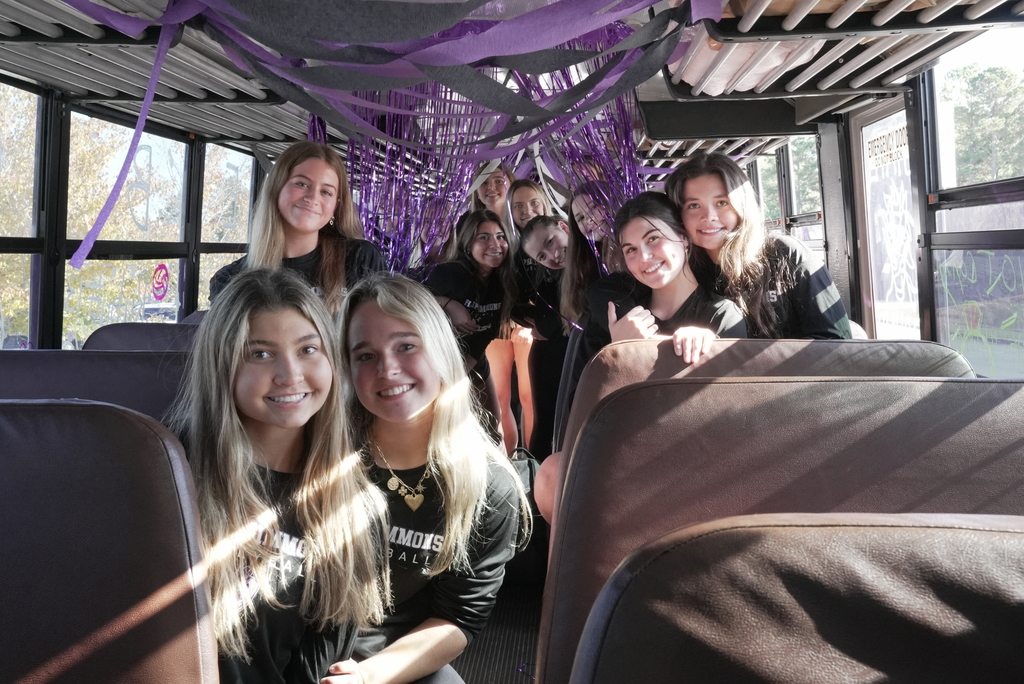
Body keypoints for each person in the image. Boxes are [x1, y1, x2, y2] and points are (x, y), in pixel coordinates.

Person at [169, 268, 389, 684]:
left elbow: (316, 664)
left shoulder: (357, 507)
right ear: (223, 365)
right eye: (261, 354)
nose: (291, 375)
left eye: (308, 349)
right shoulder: (167, 474)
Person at [328, 274, 531, 684]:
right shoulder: (321, 454)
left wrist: (368, 677)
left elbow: (457, 618)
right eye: (365, 355)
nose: (388, 368)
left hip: (391, 655)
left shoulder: (490, 487)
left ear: (440, 349)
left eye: (406, 346)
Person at [533, 192, 747, 526]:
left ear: (683, 238)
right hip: (624, 455)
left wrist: (709, 353)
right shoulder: (614, 314)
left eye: (653, 240)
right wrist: (619, 355)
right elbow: (581, 408)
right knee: (551, 473)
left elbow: (734, 419)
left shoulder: (720, 315)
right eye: (631, 250)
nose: (644, 257)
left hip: (693, 462)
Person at [665, 151, 851, 339]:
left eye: (722, 202)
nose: (709, 216)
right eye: (694, 206)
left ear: (742, 206)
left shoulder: (786, 254)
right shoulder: (683, 272)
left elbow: (835, 343)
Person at [209, 141, 385, 313]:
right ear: (277, 188)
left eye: (326, 192)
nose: (313, 198)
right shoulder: (228, 280)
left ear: (335, 207)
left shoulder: (362, 258)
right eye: (302, 184)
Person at [421, 210, 517, 438]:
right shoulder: (449, 274)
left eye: (500, 236)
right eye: (483, 237)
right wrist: (448, 304)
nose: (495, 244)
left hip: (472, 358)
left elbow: (488, 332)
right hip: (434, 362)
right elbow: (400, 294)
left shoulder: (502, 281)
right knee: (440, 429)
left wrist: (462, 372)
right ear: (466, 243)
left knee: (493, 429)